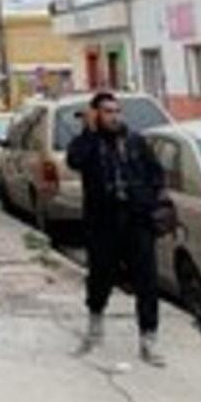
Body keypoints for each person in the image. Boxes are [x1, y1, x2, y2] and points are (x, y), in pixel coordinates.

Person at [66, 92, 167, 367]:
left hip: (137, 221)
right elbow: (75, 161)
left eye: (116, 111)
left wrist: (149, 201)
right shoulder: (88, 143)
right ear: (96, 114)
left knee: (146, 282)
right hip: (103, 224)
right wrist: (88, 131)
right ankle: (95, 328)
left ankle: (148, 340)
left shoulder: (134, 141)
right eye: (107, 111)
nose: (114, 116)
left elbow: (156, 174)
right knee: (100, 278)